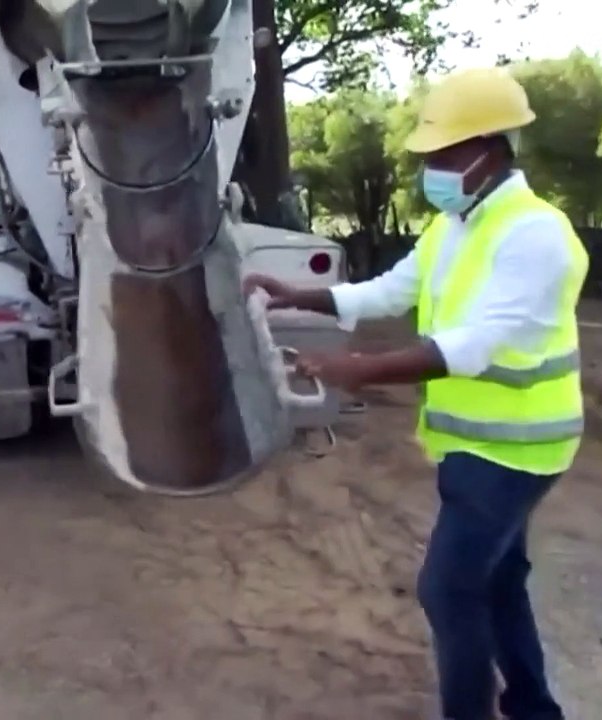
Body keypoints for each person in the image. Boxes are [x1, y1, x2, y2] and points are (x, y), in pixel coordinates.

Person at [243, 67, 582, 720]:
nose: (432, 167)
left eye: (443, 155)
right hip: (477, 443)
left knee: (449, 591)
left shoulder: (535, 234)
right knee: (500, 581)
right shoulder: (457, 227)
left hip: (518, 452)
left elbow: (473, 346)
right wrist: (299, 295)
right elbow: (390, 290)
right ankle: (535, 709)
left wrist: (357, 370)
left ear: (488, 149)